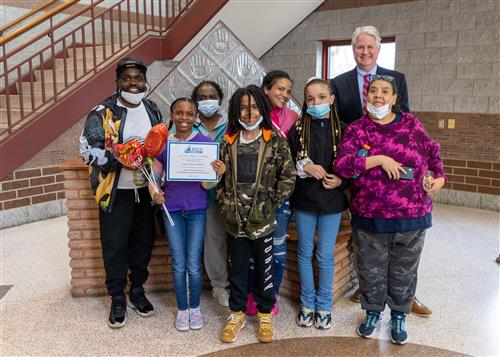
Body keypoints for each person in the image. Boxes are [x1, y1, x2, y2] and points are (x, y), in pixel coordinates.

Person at [334, 75, 446, 344]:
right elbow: (343, 166)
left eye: (385, 91)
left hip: (412, 214)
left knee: (404, 269)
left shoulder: (410, 124)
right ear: (366, 95)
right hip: (370, 215)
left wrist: (439, 177)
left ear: (395, 98)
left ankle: (399, 315)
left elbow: (433, 152)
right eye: (373, 91)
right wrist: (379, 159)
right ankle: (372, 312)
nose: (378, 96)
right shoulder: (356, 130)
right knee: (371, 268)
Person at [330, 25, 431, 317]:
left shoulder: (396, 78)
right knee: (364, 234)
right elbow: (339, 129)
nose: (364, 52)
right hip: (359, 170)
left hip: (396, 175)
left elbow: (408, 126)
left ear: (377, 49)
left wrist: (424, 172)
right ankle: (368, 287)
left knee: (403, 241)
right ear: (353, 50)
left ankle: (405, 297)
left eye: (369, 47)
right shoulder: (339, 82)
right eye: (359, 47)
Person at [79, 57, 162, 328]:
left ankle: (137, 291)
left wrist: (153, 163)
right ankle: (117, 297)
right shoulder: (101, 112)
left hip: (145, 190)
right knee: (115, 247)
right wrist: (119, 159)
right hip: (115, 192)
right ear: (118, 81)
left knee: (143, 243)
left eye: (138, 77)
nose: (133, 83)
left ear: (144, 80)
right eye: (128, 78)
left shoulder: (152, 109)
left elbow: (158, 146)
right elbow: (87, 152)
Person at [218, 85, 296, 344]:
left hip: (263, 222)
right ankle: (237, 313)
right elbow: (218, 180)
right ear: (235, 110)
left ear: (262, 108)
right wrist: (226, 202)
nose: (249, 112)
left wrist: (270, 204)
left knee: (264, 269)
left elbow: (288, 177)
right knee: (237, 269)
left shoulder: (274, 141)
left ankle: (265, 313)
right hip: (234, 222)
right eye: (243, 107)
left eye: (253, 106)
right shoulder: (228, 142)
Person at [151, 97, 226, 331]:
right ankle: (182, 310)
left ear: (196, 118)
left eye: (189, 113)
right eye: (179, 113)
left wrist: (218, 175)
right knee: (178, 262)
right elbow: (153, 179)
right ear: (171, 115)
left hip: (196, 211)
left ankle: (195, 308)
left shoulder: (206, 143)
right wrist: (155, 194)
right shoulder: (164, 144)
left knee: (193, 263)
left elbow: (206, 185)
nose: (184, 118)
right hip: (171, 209)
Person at [288, 78, 348, 330]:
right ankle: (307, 303)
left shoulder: (345, 129)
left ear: (332, 99)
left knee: (324, 254)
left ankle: (324, 306)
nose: (316, 103)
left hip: (332, 202)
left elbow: (353, 167)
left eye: (322, 97)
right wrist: (304, 166)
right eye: (310, 99)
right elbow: (287, 163)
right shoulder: (297, 129)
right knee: (304, 252)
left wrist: (341, 181)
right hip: (304, 200)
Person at [245, 70, 299, 316]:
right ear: (265, 88)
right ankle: (250, 295)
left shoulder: (293, 117)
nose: (285, 95)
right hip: (248, 197)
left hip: (278, 197)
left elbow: (297, 157)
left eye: (288, 91)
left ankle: (272, 294)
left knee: (277, 251)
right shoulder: (249, 115)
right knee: (251, 251)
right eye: (280, 89)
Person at [190, 80, 230, 307]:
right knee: (194, 242)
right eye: (202, 97)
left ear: (220, 98)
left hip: (222, 195)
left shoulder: (231, 125)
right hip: (191, 196)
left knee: (218, 240)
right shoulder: (184, 123)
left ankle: (221, 285)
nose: (207, 101)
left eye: (212, 96)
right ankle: (201, 284)